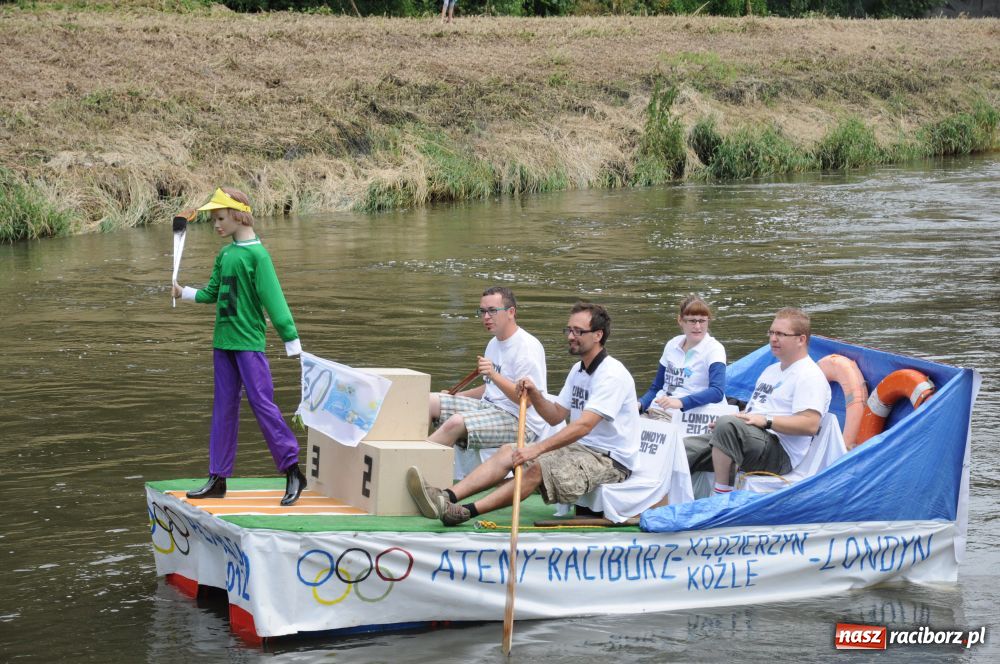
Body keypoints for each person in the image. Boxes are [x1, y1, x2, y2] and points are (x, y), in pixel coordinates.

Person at [407, 302, 639, 526]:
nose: (570, 336)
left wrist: (536, 449)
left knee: (537, 467)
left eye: (578, 331)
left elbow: (583, 426)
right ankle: (445, 497)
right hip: (581, 449)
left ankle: (465, 512)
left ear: (597, 335)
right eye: (568, 329)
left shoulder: (611, 375)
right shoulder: (578, 370)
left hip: (610, 461)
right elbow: (555, 415)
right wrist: (535, 393)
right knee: (509, 451)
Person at [172, 187, 307, 506]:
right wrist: (183, 292)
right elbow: (212, 294)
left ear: (238, 215)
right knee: (224, 407)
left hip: (248, 344)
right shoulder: (225, 255)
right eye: (213, 219)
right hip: (223, 343)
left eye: (219, 218)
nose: (216, 225)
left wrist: (291, 339)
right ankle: (218, 477)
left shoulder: (258, 256)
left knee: (262, 403)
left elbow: (274, 300)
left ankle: (292, 470)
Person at [686, 307, 831, 495]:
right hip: (754, 439)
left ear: (801, 339)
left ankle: (721, 497)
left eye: (781, 334)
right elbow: (755, 412)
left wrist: (766, 420)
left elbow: (810, 424)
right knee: (683, 449)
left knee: (727, 426)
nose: (773, 339)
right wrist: (740, 418)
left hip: (780, 453)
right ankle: (659, 504)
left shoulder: (809, 375)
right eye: (771, 332)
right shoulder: (770, 371)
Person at [428, 287, 548, 475]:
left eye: (492, 310)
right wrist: (457, 395)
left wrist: (494, 374)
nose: (486, 317)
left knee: (456, 422)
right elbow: (490, 388)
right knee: (429, 401)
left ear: (511, 312)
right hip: (489, 408)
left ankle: (414, 464)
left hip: (520, 423)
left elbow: (528, 401)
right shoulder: (493, 343)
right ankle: (407, 456)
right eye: (482, 311)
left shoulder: (527, 348)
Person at [638, 295, 727, 420]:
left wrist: (681, 402)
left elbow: (717, 392)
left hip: (691, 415)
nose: (697, 327)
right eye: (692, 321)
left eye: (702, 321)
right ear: (680, 320)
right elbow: (656, 388)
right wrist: (640, 404)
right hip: (658, 409)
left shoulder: (714, 349)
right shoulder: (672, 344)